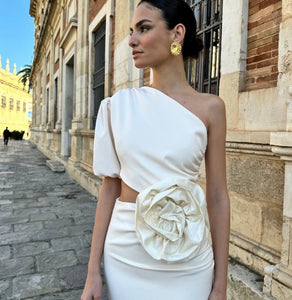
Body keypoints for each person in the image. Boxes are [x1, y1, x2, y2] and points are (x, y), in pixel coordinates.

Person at [82, 0, 230, 299]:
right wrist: (91, 274)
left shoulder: (212, 108)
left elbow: (217, 196)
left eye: (144, 28)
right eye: (131, 31)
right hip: (126, 254)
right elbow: (110, 187)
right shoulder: (116, 106)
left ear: (177, 34)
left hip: (189, 256)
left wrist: (220, 283)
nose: (132, 40)